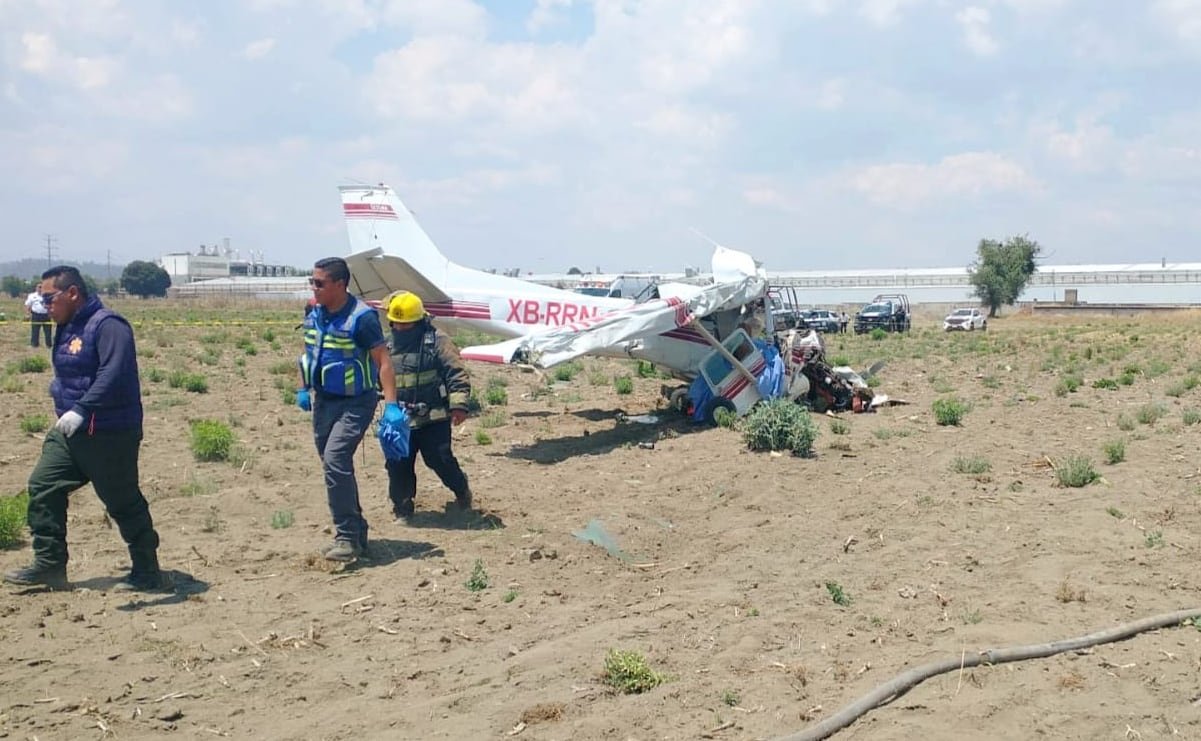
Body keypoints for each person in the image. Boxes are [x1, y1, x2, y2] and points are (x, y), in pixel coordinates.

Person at [4, 266, 165, 591]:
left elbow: (113, 372)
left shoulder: (109, 326)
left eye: (49, 298)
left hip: (109, 432)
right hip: (72, 432)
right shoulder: (67, 326)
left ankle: (148, 571)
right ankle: (49, 566)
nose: (45, 305)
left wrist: (82, 408)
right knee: (44, 485)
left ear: (73, 293)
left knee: (121, 500)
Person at [298, 257, 398, 562]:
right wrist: (303, 388)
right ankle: (356, 533)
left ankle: (346, 537)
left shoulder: (362, 318)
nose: (313, 288)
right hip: (324, 401)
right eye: (312, 282)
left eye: (319, 283)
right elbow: (309, 352)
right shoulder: (315, 312)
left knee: (336, 459)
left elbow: (383, 361)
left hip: (357, 402)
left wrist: (391, 406)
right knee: (333, 467)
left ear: (340, 284)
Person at [383, 291, 473, 520]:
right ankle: (403, 507)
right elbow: (377, 376)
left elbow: (456, 372)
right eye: (397, 324)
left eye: (407, 325)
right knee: (398, 464)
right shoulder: (386, 344)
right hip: (399, 419)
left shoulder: (437, 340)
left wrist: (459, 404)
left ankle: (461, 490)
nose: (401, 329)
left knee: (440, 459)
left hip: (434, 416)